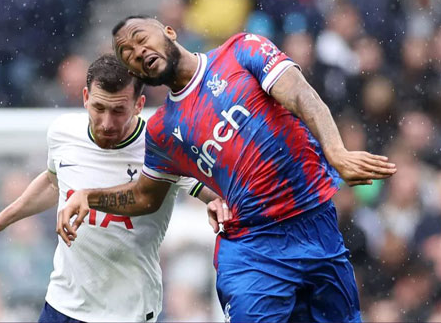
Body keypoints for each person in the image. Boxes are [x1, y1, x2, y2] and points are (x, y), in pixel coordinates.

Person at [58, 16, 397, 322]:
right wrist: (90, 198)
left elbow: (299, 94)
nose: (136, 50)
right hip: (253, 247)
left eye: (139, 37)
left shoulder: (241, 51)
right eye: (126, 53)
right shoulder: (162, 132)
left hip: (317, 224)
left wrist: (335, 151)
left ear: (169, 31)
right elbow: (146, 197)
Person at [0, 54, 224, 322]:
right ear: (86, 97)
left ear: (138, 104)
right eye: (99, 108)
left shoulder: (161, 147)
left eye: (118, 110)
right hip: (63, 304)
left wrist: (216, 201)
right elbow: (54, 182)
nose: (107, 123)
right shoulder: (63, 132)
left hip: (127, 311)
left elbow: (212, 191)